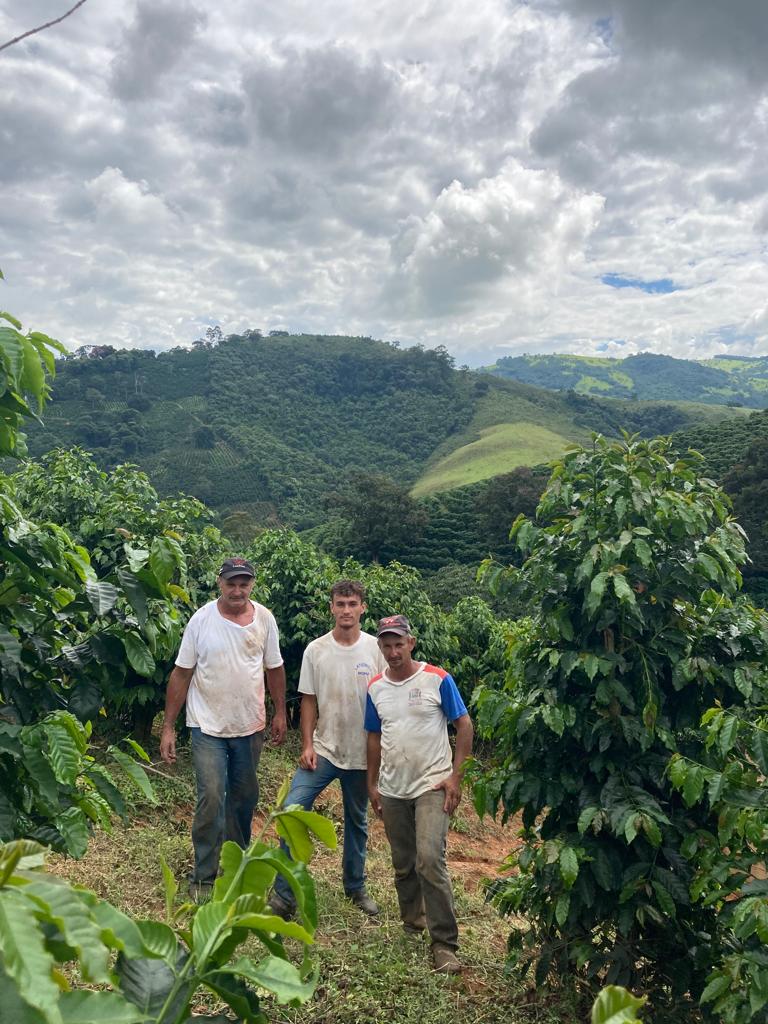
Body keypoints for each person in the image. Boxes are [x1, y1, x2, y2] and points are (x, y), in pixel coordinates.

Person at [159, 557, 287, 900]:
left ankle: (236, 864)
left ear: (252, 585)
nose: (237, 590)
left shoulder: (265, 620)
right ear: (220, 584)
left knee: (244, 799)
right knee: (211, 798)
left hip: (249, 726)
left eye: (244, 583)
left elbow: (274, 668)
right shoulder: (201, 621)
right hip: (207, 727)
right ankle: (203, 874)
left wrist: (279, 712)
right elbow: (182, 673)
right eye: (231, 583)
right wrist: (169, 726)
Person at [269, 580, 385, 918]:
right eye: (340, 603)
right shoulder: (315, 650)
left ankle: (355, 887)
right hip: (324, 750)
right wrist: (307, 744)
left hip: (362, 754)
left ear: (363, 607)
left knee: (357, 820)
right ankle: (284, 896)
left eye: (352, 603)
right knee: (291, 810)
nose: (346, 610)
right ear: (331, 607)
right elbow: (308, 701)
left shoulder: (376, 649)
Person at [366, 614, 474, 975]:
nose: (394, 651)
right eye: (387, 644)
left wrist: (456, 777)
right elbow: (374, 736)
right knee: (403, 862)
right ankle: (413, 923)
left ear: (411, 643)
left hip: (432, 785)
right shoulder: (375, 687)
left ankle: (444, 943)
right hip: (393, 787)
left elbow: (464, 724)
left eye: (399, 643)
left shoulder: (438, 679)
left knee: (429, 858)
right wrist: (372, 783)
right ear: (380, 647)